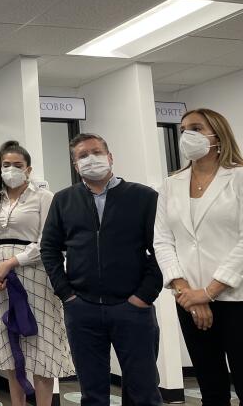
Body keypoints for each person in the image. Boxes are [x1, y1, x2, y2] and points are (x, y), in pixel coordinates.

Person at [40, 133, 162, 406]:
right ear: (75, 165)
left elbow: (161, 249)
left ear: (110, 157)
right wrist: (66, 294)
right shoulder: (63, 200)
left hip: (133, 309)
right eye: (82, 156)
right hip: (82, 309)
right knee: (92, 394)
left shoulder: (144, 197)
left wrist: (144, 296)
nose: (90, 159)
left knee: (143, 391)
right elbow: (49, 248)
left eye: (96, 152)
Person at [154, 109, 243, 406]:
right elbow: (163, 240)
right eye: (182, 130)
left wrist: (209, 292)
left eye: (195, 127)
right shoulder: (171, 184)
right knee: (211, 387)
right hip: (188, 299)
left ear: (217, 134)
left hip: (235, 298)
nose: (186, 135)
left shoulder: (239, 177)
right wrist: (186, 292)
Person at [0, 141, 74, 406]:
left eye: (17, 165)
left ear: (28, 169)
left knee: (41, 346)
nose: (11, 170)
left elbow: (48, 241)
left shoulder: (44, 197)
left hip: (35, 275)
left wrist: (12, 262)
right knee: (10, 347)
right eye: (6, 165)